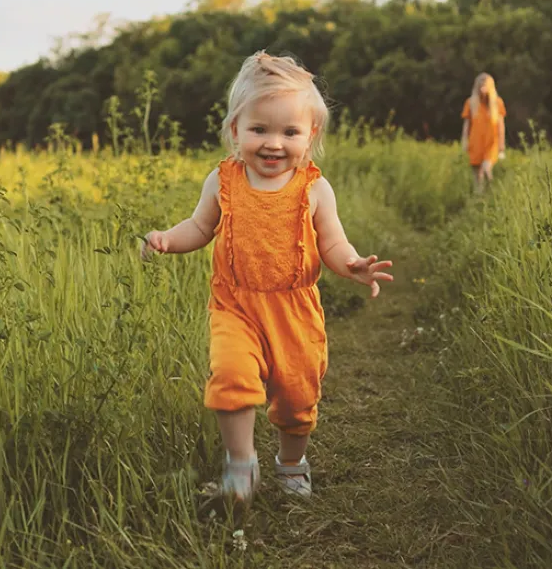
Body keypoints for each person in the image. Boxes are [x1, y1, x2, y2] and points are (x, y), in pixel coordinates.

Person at [140, 50, 393, 503]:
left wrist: (351, 263)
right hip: (235, 304)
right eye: (259, 129)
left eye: (289, 132)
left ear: (310, 134)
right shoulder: (222, 181)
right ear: (235, 130)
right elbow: (199, 228)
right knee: (231, 376)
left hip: (293, 309)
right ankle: (242, 465)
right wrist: (166, 238)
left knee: (297, 398)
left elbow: (332, 242)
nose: (273, 143)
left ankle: (291, 463)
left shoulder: (314, 188)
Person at [460, 72, 507, 192]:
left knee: (486, 168)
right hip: (476, 142)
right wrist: (465, 141)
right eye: (480, 86)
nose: (482, 89)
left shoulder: (497, 103)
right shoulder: (470, 103)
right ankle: (480, 198)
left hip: (492, 142)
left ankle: (492, 191)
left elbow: (501, 125)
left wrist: (502, 145)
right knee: (477, 174)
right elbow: (467, 125)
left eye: (485, 85)